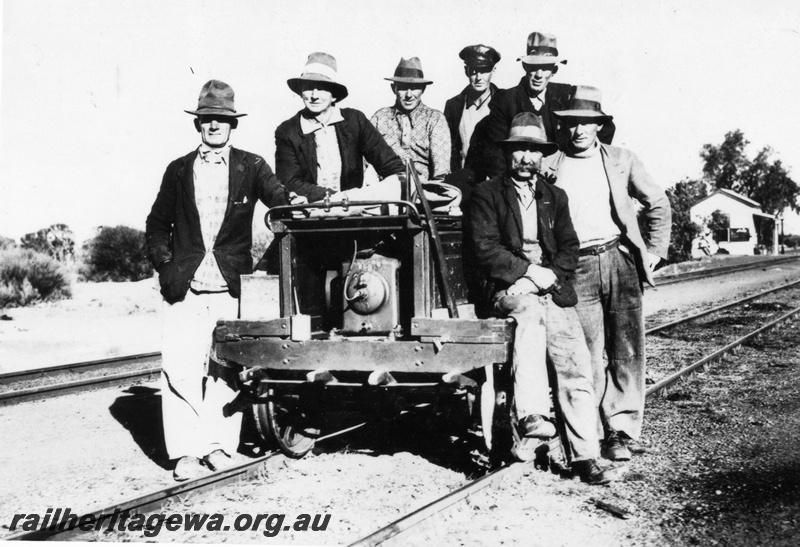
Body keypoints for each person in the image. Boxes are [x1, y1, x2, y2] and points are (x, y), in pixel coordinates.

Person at [146, 80, 292, 481]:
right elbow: (157, 224)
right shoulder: (178, 170)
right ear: (198, 124)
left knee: (227, 369)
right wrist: (166, 265)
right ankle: (186, 453)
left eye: (222, 120)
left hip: (230, 287)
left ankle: (218, 447)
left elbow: (283, 207)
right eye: (207, 119)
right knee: (180, 367)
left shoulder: (252, 166)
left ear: (233, 125)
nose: (214, 127)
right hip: (185, 287)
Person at [470, 112, 617, 485]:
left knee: (575, 361)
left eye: (534, 150)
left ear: (542, 156)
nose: (526, 158)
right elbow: (486, 249)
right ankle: (533, 416)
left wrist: (542, 278)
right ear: (508, 154)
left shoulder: (555, 196)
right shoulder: (486, 195)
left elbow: (569, 247)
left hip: (547, 288)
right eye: (520, 149)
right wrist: (527, 274)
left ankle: (586, 456)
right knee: (529, 317)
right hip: (508, 291)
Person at [541, 86, 672, 461]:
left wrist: (655, 252)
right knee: (586, 352)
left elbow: (657, 203)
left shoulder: (620, 159)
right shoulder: (551, 164)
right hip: (575, 266)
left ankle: (622, 430)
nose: (579, 131)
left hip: (619, 258)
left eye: (587, 123)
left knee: (626, 348)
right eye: (572, 124)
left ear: (599, 125)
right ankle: (591, 433)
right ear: (563, 127)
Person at [468, 31, 616, 181]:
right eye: (533, 67)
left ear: (554, 71)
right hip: (519, 180)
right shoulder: (506, 100)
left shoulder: (566, 95)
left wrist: (576, 161)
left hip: (561, 179)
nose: (539, 75)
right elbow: (495, 152)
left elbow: (606, 126)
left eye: (545, 67)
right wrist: (509, 188)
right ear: (525, 67)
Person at [275, 52, 404, 202]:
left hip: (354, 211)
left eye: (322, 88)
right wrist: (334, 197)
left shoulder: (355, 121)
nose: (314, 95)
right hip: (310, 210)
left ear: (334, 95)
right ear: (301, 92)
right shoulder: (288, 130)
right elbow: (289, 181)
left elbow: (391, 165)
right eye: (309, 87)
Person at [370, 57, 451, 183]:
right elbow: (365, 163)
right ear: (394, 89)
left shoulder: (435, 119)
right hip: (385, 191)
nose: (408, 95)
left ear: (423, 89)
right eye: (403, 87)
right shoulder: (379, 118)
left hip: (422, 191)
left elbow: (441, 172)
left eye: (414, 88)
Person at [443, 44, 501, 173]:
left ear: (494, 70)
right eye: (473, 71)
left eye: (485, 70)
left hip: (495, 183)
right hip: (463, 180)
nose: (479, 77)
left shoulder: (505, 101)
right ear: (466, 70)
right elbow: (448, 148)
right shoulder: (453, 105)